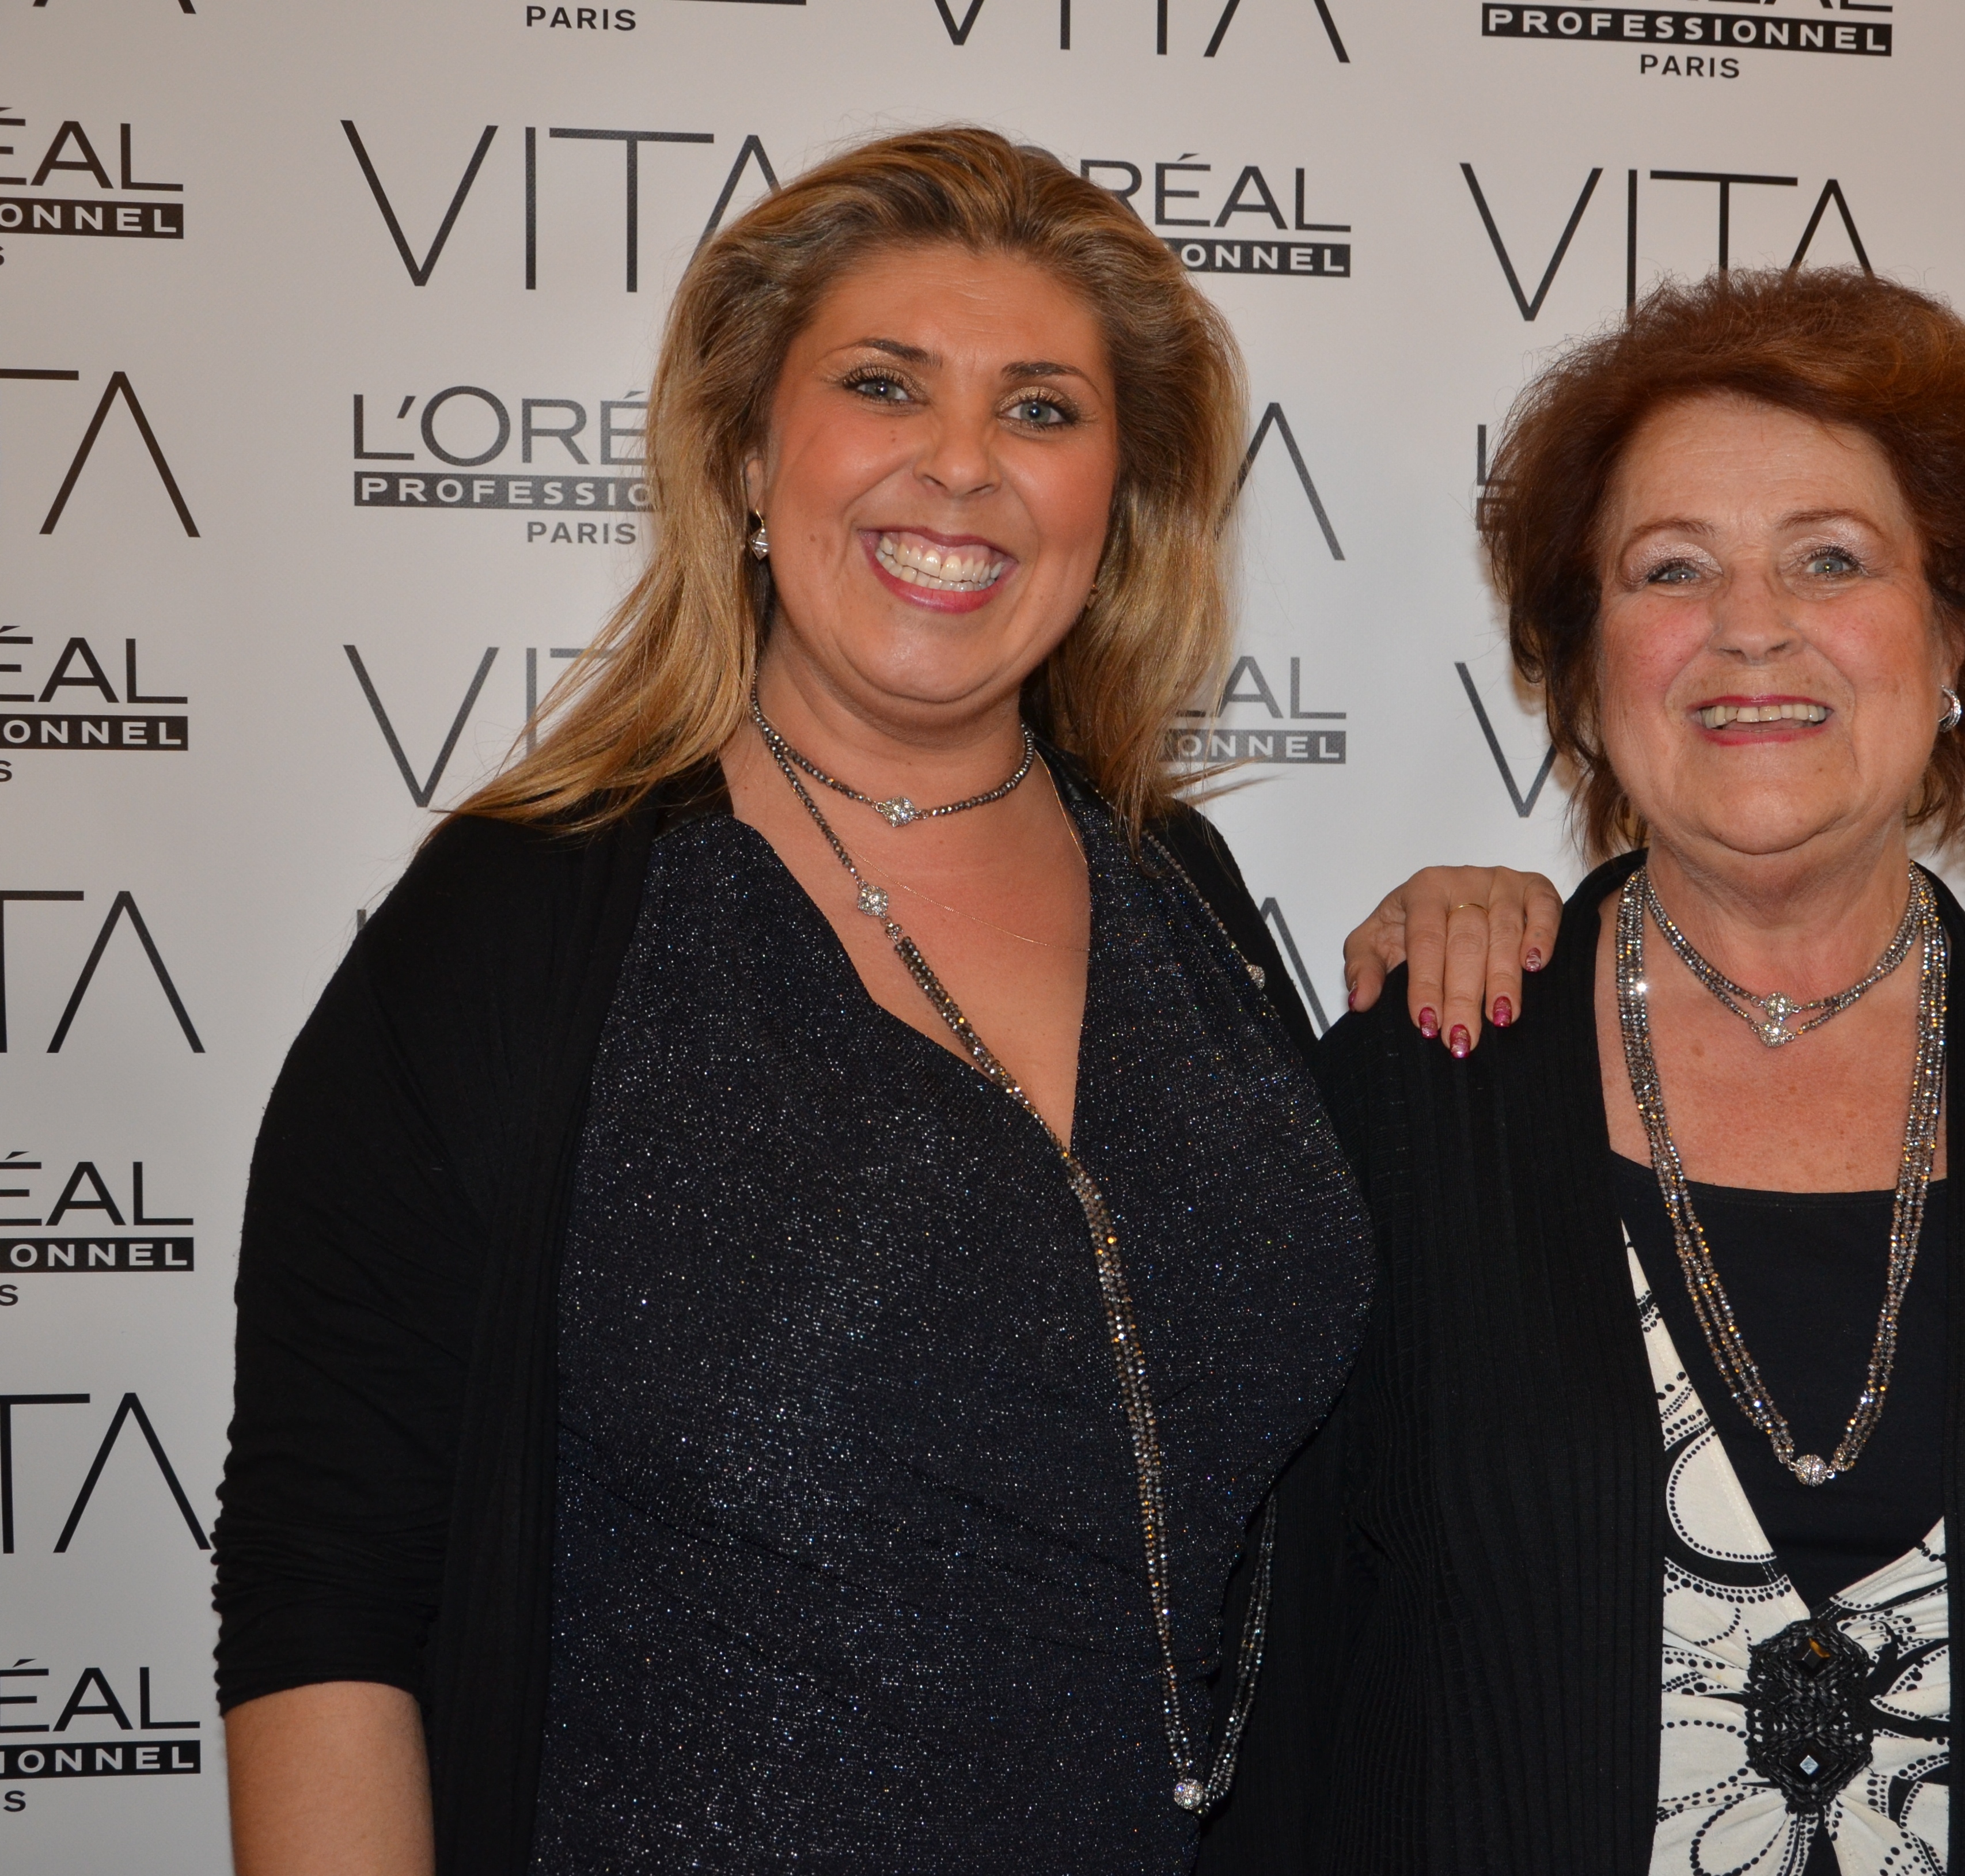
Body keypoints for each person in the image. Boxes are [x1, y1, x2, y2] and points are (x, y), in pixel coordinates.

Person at [213, 126, 1555, 1876]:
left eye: (1041, 410)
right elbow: (326, 1581)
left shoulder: (1183, 896)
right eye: (883, 384)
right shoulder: (520, 922)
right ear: (746, 455)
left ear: (1117, 507)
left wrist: (1495, 924)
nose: (963, 465)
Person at [1205, 267, 1965, 1874]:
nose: (1751, 624)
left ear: (1955, 635)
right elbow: (1277, 1729)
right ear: (1587, 669)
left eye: (1831, 557)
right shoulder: (1419, 1099)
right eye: (1672, 568)